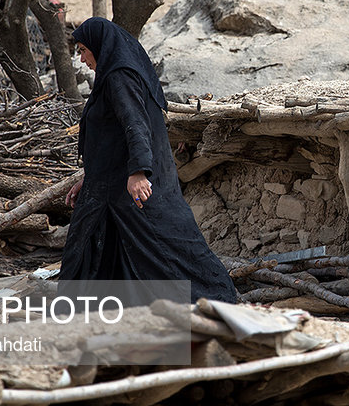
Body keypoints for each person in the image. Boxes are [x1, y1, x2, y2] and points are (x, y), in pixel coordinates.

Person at [62, 17, 236, 303]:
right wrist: (90, 176)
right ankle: (95, 316)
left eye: (82, 50)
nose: (81, 59)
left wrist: (139, 172)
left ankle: (217, 303)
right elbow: (112, 134)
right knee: (96, 248)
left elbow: (136, 124)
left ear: (97, 46)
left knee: (165, 243)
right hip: (109, 183)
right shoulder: (113, 75)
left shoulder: (120, 76)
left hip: (130, 183)